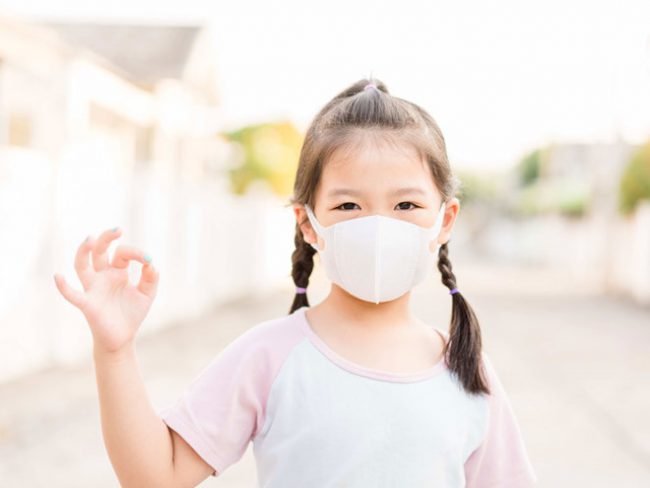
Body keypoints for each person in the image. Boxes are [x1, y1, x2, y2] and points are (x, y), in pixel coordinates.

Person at [53, 78, 538, 487]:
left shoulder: (467, 372)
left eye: (406, 205)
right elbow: (155, 477)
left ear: (445, 219)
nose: (378, 226)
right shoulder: (268, 356)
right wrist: (114, 350)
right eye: (348, 205)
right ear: (308, 223)